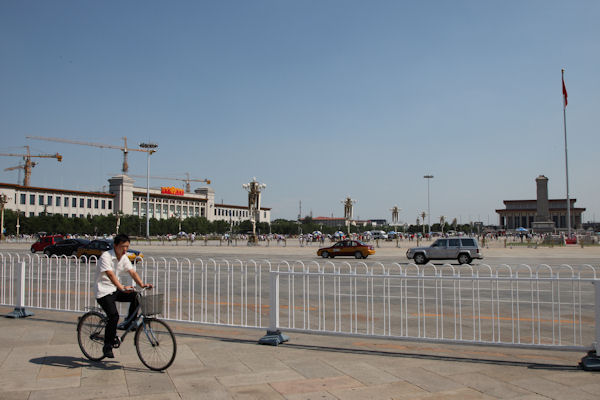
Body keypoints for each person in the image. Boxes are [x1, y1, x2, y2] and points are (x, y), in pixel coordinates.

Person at [94, 233, 153, 359]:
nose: (125, 249)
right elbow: (110, 274)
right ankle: (107, 346)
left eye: (127, 246)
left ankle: (129, 322)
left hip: (115, 289)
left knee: (135, 296)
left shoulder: (124, 257)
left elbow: (132, 272)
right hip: (103, 291)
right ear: (115, 245)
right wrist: (121, 287)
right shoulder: (106, 256)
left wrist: (142, 284)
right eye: (122, 246)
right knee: (113, 316)